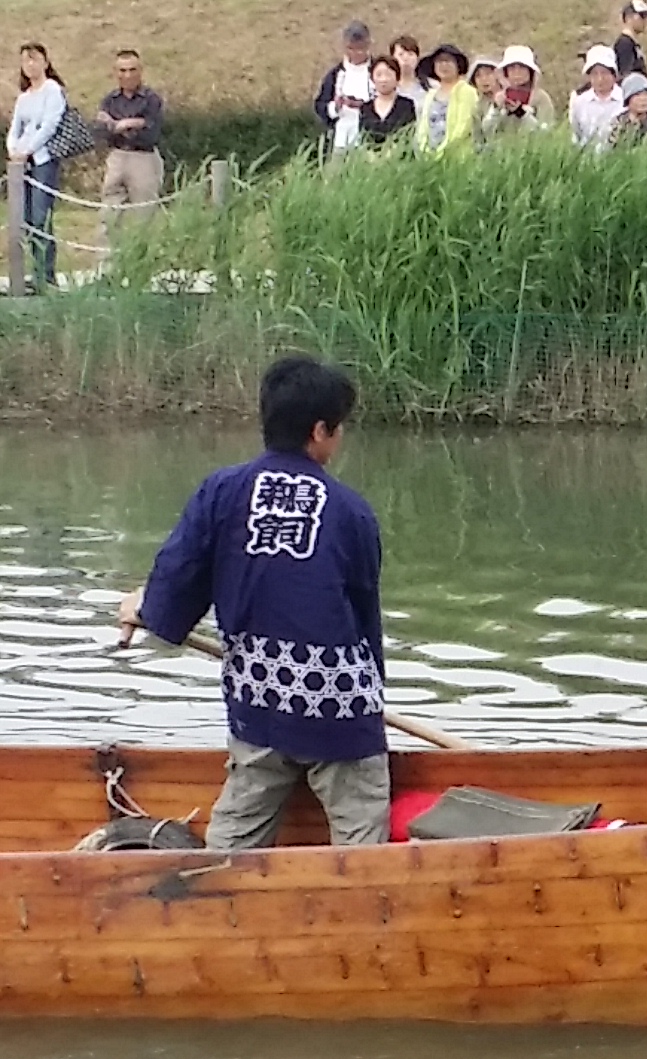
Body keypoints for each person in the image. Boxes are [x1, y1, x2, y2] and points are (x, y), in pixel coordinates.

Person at [116, 356, 390, 851]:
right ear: (321, 431)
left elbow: (180, 576)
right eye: (340, 427)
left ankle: (217, 892)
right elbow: (364, 616)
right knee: (360, 829)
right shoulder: (352, 511)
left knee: (237, 829)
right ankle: (364, 902)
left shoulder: (222, 491)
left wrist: (147, 606)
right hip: (339, 711)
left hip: (260, 702)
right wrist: (371, 701)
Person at [7, 44, 67, 293]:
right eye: (25, 61)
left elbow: (49, 125)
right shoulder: (24, 97)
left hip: (43, 160)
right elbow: (15, 126)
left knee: (42, 216)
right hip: (21, 164)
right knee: (28, 219)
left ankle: (47, 274)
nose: (30, 65)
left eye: (35, 59)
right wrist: (13, 150)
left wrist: (28, 150)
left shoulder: (52, 90)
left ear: (45, 62)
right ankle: (35, 272)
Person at [95, 50, 166, 250]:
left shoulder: (151, 99)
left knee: (145, 216)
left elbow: (151, 133)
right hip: (116, 157)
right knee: (108, 215)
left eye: (132, 70)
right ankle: (105, 270)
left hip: (143, 158)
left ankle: (142, 268)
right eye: (122, 70)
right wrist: (132, 123)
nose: (127, 75)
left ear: (141, 71)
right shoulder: (110, 100)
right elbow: (102, 131)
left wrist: (119, 125)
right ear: (115, 72)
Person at [314, 21, 376, 153]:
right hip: (339, 139)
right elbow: (320, 105)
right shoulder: (335, 75)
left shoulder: (378, 71)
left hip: (370, 139)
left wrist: (363, 106)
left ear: (368, 44)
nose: (355, 54)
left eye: (360, 49)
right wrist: (335, 106)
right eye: (350, 48)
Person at [413, 44, 478, 157]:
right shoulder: (430, 95)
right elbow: (423, 126)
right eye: (439, 61)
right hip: (429, 158)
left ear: (458, 65)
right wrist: (424, 150)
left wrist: (443, 152)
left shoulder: (466, 91)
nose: (444, 65)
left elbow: (463, 127)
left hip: (457, 158)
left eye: (448, 61)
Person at [481, 45, 555, 137]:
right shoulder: (501, 97)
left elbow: (545, 133)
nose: (517, 73)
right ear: (506, 72)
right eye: (512, 68)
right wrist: (496, 108)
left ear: (530, 71)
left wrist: (522, 114)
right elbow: (486, 130)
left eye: (522, 67)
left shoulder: (541, 98)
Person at [569, 45, 625, 148]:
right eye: (595, 74)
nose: (600, 79)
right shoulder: (579, 102)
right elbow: (575, 136)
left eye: (604, 73)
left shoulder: (625, 100)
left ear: (613, 74)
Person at [359, 56, 417, 147]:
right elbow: (363, 138)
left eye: (388, 74)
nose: (383, 79)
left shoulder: (406, 105)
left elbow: (409, 136)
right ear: (372, 79)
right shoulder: (365, 107)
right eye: (379, 75)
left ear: (397, 78)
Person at [609, 73, 647, 146]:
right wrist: (634, 122)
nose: (643, 98)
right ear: (628, 100)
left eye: (646, 94)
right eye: (637, 95)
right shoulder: (619, 122)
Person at [615, 0, 647, 84]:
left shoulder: (632, 44)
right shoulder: (624, 44)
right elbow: (626, 77)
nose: (645, 20)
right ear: (628, 18)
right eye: (642, 16)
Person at [389, 35, 426, 104]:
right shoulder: (387, 87)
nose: (406, 58)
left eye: (410, 54)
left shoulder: (429, 86)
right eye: (401, 54)